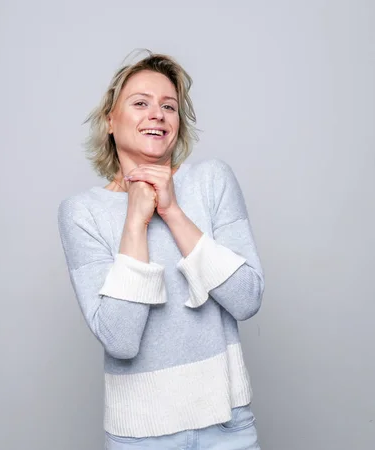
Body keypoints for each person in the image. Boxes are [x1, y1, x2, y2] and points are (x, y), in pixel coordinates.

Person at [57, 50, 264, 450]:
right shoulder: (81, 212)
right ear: (110, 121)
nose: (157, 114)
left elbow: (247, 299)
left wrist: (171, 211)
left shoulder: (211, 181)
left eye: (169, 106)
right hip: (140, 437)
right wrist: (135, 222)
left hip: (228, 427)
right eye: (140, 103)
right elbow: (120, 340)